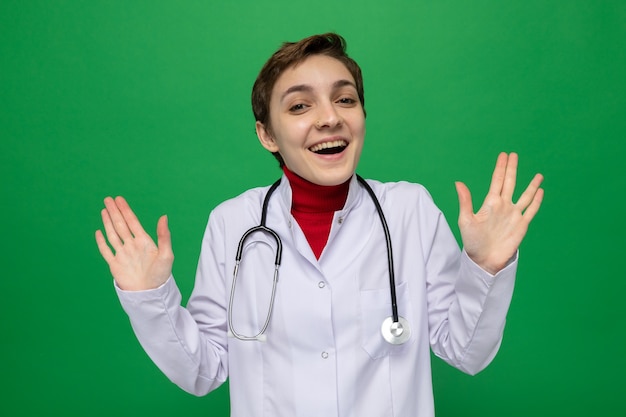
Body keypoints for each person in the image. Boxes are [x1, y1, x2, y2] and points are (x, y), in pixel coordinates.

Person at [95, 33, 544, 417]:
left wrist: (486, 264)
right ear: (266, 134)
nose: (330, 117)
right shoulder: (234, 224)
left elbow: (467, 352)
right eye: (299, 106)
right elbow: (203, 370)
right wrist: (149, 298)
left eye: (345, 99)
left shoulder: (410, 211)